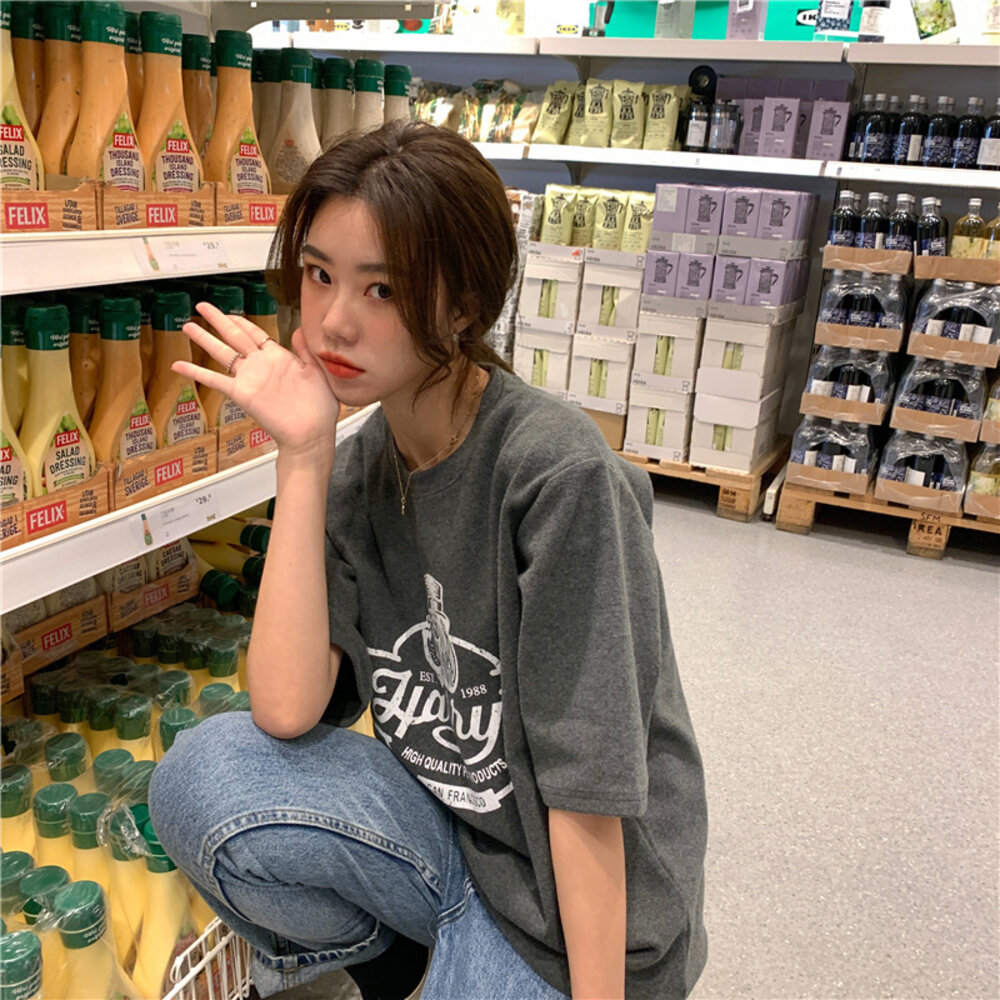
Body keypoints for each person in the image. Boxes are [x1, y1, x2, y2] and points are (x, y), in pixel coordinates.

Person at [148, 121, 708, 1000]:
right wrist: (304, 457)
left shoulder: (555, 476)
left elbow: (588, 793)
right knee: (202, 777)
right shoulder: (360, 467)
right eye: (320, 274)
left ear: (462, 308)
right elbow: (286, 709)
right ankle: (408, 969)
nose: (334, 320)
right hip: (456, 846)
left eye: (383, 289)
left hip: (577, 917)